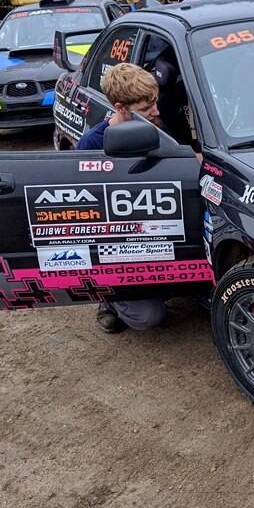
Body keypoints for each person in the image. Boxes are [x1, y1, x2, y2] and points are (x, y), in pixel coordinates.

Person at [76, 63, 167, 333]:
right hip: (122, 243)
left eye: (155, 103)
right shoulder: (92, 145)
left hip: (160, 232)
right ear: (119, 107)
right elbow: (88, 213)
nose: (156, 112)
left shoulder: (160, 127)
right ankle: (110, 297)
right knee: (148, 316)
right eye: (145, 109)